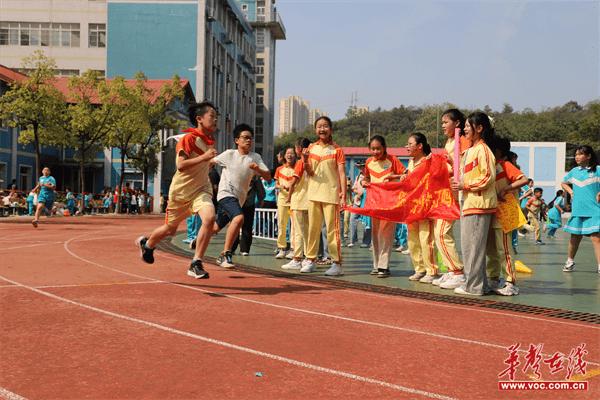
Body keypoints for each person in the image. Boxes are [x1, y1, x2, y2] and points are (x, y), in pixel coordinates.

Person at [135, 101, 218, 279]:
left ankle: (196, 262)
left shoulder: (209, 142)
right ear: (199, 119)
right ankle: (147, 244)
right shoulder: (187, 139)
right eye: (212, 116)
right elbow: (180, 165)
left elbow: (200, 166)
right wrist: (204, 157)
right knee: (170, 229)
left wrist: (208, 164)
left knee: (209, 218)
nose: (215, 119)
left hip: (201, 190)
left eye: (216, 116)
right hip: (180, 193)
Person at [211, 123, 271, 268]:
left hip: (240, 199)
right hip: (225, 194)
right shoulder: (229, 154)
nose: (248, 141)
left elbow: (268, 176)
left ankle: (198, 239)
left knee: (215, 228)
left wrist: (258, 169)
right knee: (238, 218)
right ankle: (225, 254)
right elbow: (210, 162)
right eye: (245, 138)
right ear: (237, 140)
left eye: (250, 138)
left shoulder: (255, 157)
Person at [450, 111, 497, 296]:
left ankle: (474, 286)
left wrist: (464, 185)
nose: (465, 130)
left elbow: (487, 177)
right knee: (471, 247)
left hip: (479, 204)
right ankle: (480, 284)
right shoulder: (470, 151)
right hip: (469, 203)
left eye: (468, 127)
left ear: (479, 128)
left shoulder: (484, 150)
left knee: (474, 249)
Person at [298, 116, 347, 276]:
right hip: (313, 194)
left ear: (331, 129)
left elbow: (341, 173)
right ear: (315, 130)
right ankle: (310, 259)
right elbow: (310, 172)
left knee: (332, 231)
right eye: (319, 126)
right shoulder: (311, 148)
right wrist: (305, 159)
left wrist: (343, 195)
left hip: (331, 194)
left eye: (325, 126)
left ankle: (337, 263)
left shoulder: (337, 150)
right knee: (313, 229)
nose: (322, 129)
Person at [486, 136, 528, 296]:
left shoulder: (505, 165)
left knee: (504, 249)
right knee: (491, 250)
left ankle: (510, 282)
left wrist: (506, 189)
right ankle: (493, 278)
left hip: (503, 214)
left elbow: (523, 179)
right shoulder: (490, 166)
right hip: (490, 212)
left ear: (497, 151)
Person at [432, 108, 468, 289]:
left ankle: (458, 272)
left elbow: (462, 166)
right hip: (444, 193)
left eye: (446, 122)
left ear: (457, 124)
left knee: (442, 232)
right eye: (442, 123)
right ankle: (451, 269)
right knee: (441, 233)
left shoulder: (462, 141)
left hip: (455, 193)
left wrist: (450, 166)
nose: (443, 126)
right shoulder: (450, 141)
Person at [361, 135, 405, 277]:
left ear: (384, 147)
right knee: (375, 234)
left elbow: (405, 175)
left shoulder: (393, 160)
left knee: (386, 234)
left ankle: (384, 266)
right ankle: (376, 265)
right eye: (373, 149)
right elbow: (366, 177)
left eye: (378, 148)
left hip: (389, 203)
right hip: (374, 202)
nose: (375, 151)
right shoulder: (368, 162)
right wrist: (364, 183)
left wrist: (392, 177)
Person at [404, 133, 439, 283]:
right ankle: (419, 269)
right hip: (412, 206)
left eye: (410, 144)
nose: (407, 147)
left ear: (419, 146)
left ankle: (431, 270)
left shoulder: (428, 161)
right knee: (413, 239)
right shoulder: (411, 162)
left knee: (426, 239)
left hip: (425, 206)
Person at [561, 145, 600, 273]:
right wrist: (571, 192)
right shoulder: (574, 171)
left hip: (594, 210)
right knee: (575, 237)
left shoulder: (597, 170)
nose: (577, 157)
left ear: (588, 156)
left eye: (580, 154)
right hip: (578, 209)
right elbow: (564, 183)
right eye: (576, 154)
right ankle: (570, 261)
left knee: (596, 237)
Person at [281, 137, 312, 270]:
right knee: (307, 232)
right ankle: (306, 257)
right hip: (309, 200)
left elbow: (293, 182)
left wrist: (287, 192)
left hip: (299, 200)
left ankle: (297, 258)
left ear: (298, 148)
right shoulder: (312, 161)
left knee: (298, 232)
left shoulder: (300, 162)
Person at [274, 147, 296, 258]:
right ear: (285, 156)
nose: (290, 155)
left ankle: (293, 249)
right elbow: (276, 184)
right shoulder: (279, 169)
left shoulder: (297, 168)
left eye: (292, 153)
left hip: (294, 200)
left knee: (294, 226)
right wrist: (280, 186)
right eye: (288, 153)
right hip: (282, 200)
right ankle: (281, 248)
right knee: (281, 224)